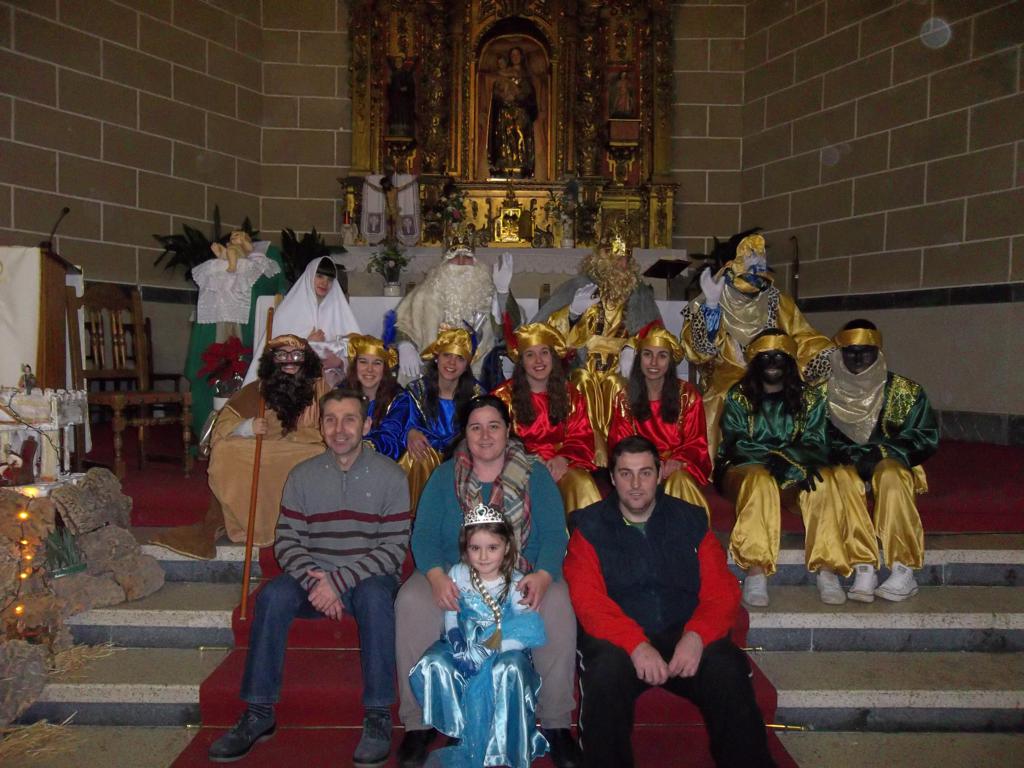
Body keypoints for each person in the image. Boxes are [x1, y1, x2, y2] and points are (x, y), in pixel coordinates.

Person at [207, 389, 411, 766]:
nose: (339, 429)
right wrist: (317, 580)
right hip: (314, 579)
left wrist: (338, 581)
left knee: (376, 598)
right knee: (272, 596)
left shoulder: (392, 477)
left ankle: (378, 714)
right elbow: (287, 541)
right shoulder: (302, 476)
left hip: (368, 579)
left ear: (366, 425)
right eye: (330, 420)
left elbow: (393, 549)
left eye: (349, 419)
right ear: (321, 427)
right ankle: (259, 711)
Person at [564, 436, 775, 768]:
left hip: (683, 630)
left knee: (727, 668)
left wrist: (697, 636)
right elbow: (588, 601)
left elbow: (721, 591)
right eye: (626, 474)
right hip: (619, 639)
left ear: (660, 473)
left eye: (645, 473)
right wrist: (636, 645)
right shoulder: (589, 527)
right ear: (613, 477)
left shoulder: (690, 520)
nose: (636, 484)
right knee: (604, 675)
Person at [395, 395, 581, 768]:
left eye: (493, 426)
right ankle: (419, 721)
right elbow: (424, 535)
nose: (484, 436)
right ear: (464, 433)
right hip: (456, 575)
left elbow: (554, 535)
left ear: (508, 430)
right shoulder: (445, 475)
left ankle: (556, 721)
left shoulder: (534, 474)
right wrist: (435, 576)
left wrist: (544, 576)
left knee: (559, 602)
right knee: (411, 601)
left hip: (522, 573)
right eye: (475, 427)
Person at [717, 329, 876, 608]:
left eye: (779, 356)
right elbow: (736, 443)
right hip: (746, 469)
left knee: (823, 480)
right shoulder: (738, 396)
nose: (772, 363)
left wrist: (790, 461)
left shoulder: (810, 398)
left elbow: (816, 441)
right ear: (755, 361)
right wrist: (774, 459)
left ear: (791, 360)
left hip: (795, 470)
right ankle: (756, 571)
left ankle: (827, 570)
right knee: (761, 481)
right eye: (766, 356)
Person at [151, 335, 329, 559]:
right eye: (282, 355)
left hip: (304, 450)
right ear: (272, 360)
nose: (289, 361)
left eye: (296, 355)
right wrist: (247, 428)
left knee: (318, 455)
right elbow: (222, 427)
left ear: (306, 359)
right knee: (226, 451)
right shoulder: (257, 390)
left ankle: (298, 528)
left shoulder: (320, 389)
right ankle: (250, 526)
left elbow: (337, 424)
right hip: (263, 449)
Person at [409, 508, 548, 768]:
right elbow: (452, 611)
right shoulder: (458, 574)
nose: (483, 557)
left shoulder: (515, 582)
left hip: (504, 647)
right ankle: (459, 726)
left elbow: (524, 628)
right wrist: (456, 640)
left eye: (492, 548)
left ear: (507, 547)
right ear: (466, 548)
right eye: (475, 548)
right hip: (466, 641)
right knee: (434, 662)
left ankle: (507, 741)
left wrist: (486, 651)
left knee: (509, 670)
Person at [681, 233, 834, 457]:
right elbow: (699, 353)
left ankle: (798, 455)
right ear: (731, 267)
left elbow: (803, 336)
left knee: (808, 392)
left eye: (759, 267)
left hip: (777, 368)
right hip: (730, 371)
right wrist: (711, 308)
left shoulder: (778, 301)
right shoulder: (712, 300)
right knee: (725, 395)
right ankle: (722, 461)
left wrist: (825, 355)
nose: (755, 276)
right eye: (749, 268)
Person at [826, 319, 938, 602]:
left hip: (890, 459)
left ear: (878, 351)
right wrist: (838, 452)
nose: (858, 358)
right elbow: (812, 435)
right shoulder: (824, 392)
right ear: (840, 352)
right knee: (841, 478)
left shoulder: (905, 391)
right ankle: (863, 564)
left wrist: (883, 452)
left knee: (891, 476)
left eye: (866, 351)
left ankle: (903, 567)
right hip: (846, 462)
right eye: (850, 351)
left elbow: (924, 436)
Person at [533, 227, 659, 459]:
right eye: (617, 258)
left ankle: (622, 453)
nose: (622, 264)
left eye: (626, 258)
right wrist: (571, 313)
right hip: (582, 364)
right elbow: (541, 331)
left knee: (617, 385)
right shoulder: (578, 286)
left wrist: (633, 348)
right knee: (582, 382)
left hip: (622, 368)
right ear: (603, 257)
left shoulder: (639, 292)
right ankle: (587, 450)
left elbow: (655, 333)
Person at [492, 322, 602, 514]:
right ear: (521, 361)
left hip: (560, 466)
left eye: (544, 352)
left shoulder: (571, 395)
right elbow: (494, 441)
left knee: (582, 483)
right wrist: (529, 461)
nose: (538, 360)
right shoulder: (502, 398)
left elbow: (582, 435)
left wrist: (564, 459)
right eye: (530, 354)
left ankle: (586, 534)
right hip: (518, 467)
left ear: (553, 357)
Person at [608, 323, 712, 519]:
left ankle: (691, 534)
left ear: (670, 361)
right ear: (639, 359)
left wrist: (677, 461)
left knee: (678, 480)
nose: (654, 362)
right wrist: (652, 466)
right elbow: (621, 444)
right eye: (648, 354)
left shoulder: (687, 395)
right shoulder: (624, 398)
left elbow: (696, 442)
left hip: (677, 468)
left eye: (662, 356)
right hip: (639, 468)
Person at [375, 328, 485, 510]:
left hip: (464, 459)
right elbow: (394, 424)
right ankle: (415, 516)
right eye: (447, 355)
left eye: (459, 358)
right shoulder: (417, 391)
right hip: (425, 463)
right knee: (418, 455)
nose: (452, 363)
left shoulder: (478, 396)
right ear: (436, 358)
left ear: (467, 364)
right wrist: (409, 432)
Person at [394, 239, 517, 385]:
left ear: (475, 261)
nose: (461, 262)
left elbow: (509, 333)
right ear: (444, 262)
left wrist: (502, 292)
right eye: (455, 257)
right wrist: (405, 345)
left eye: (467, 257)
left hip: (479, 374)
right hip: (432, 373)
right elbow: (403, 324)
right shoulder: (424, 294)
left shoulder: (489, 292)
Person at [244, 256, 360, 385]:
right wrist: (307, 343)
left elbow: (356, 349)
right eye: (320, 276)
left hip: (332, 383)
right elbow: (276, 354)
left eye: (330, 279)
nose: (325, 283)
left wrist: (339, 361)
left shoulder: (339, 310)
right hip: (293, 381)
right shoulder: (288, 310)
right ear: (310, 276)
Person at [488, 46, 538, 178]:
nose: (515, 57)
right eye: (512, 55)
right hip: (505, 113)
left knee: (520, 137)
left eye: (517, 55)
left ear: (521, 57)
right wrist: (503, 97)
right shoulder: (505, 72)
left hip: (521, 112)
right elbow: (496, 92)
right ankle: (505, 164)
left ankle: (522, 164)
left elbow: (529, 95)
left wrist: (519, 96)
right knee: (505, 138)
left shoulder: (526, 75)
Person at [343, 332, 402, 432]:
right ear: (355, 366)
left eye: (377, 363)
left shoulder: (399, 400)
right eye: (363, 362)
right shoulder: (341, 395)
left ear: (384, 369)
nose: (369, 369)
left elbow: (391, 436)